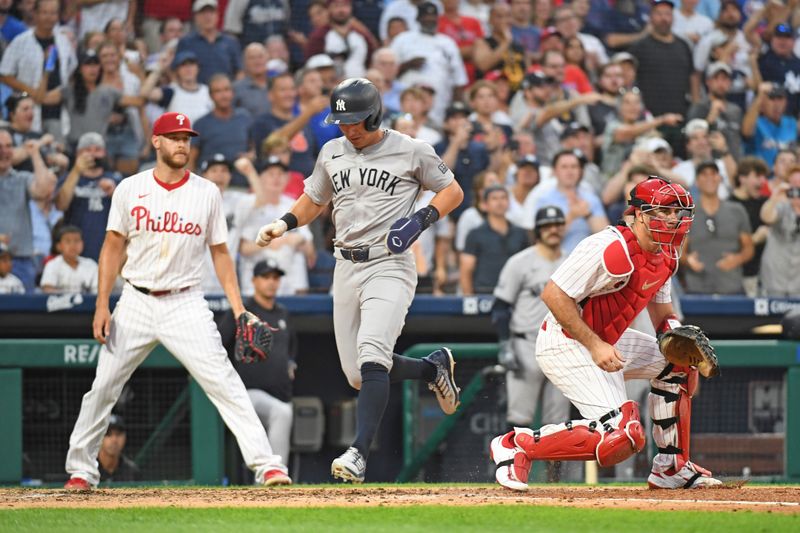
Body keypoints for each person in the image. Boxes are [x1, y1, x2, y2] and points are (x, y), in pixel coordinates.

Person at [63, 112, 291, 491]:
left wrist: (238, 308)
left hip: (185, 302)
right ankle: (81, 471)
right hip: (135, 299)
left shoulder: (206, 192)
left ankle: (267, 465)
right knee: (103, 387)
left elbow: (220, 253)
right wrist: (102, 303)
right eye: (173, 137)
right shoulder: (130, 188)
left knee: (224, 382)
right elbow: (112, 247)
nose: (182, 144)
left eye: (186, 138)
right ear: (156, 142)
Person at [255, 78, 464, 483]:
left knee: (372, 354)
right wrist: (284, 223)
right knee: (357, 373)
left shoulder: (411, 149)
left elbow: (451, 191)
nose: (347, 129)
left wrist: (420, 218)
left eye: (354, 121)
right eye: (342, 121)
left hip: (390, 263)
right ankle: (431, 369)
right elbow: (315, 198)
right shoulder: (332, 151)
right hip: (345, 266)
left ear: (374, 115)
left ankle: (358, 453)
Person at [490, 176, 722, 491]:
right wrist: (595, 345)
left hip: (609, 339)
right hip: (566, 341)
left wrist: (675, 336)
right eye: (663, 211)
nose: (672, 219)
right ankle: (517, 444)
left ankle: (671, 468)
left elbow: (663, 315)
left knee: (679, 365)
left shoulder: (667, 255)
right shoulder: (608, 246)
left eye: (677, 212)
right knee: (622, 437)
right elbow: (554, 295)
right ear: (639, 214)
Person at [492, 205, 571, 437]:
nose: (553, 230)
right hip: (526, 344)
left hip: (562, 346)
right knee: (519, 420)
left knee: (558, 425)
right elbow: (500, 307)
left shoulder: (572, 262)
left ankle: (555, 476)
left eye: (557, 224)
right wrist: (505, 344)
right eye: (547, 226)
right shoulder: (520, 262)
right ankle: (511, 472)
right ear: (537, 230)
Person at [219, 259, 297, 466]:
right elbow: (217, 344)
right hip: (248, 394)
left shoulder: (283, 314)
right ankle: (276, 474)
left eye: (275, 277)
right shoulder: (241, 312)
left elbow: (291, 349)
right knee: (282, 413)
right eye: (266, 277)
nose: (271, 282)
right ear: (254, 280)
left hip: (280, 394)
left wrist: (290, 364)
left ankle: (267, 480)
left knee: (282, 412)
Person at [681, 161, 754, 295]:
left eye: (714, 173)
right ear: (696, 182)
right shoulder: (687, 214)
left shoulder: (737, 210)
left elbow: (749, 248)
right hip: (698, 288)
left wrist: (737, 259)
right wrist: (688, 260)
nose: (710, 178)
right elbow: (678, 251)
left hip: (731, 286)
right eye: (704, 174)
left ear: (719, 178)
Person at [0, 129, 57, 292]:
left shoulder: (22, 178)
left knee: (23, 315)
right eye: (0, 147)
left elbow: (44, 190)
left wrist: (34, 154)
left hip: (21, 260)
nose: (4, 151)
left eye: (8, 146)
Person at [55, 132, 122, 262]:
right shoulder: (69, 178)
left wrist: (114, 193)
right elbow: (61, 205)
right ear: (78, 154)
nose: (93, 154)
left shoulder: (116, 179)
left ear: (104, 153)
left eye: (97, 150)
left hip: (107, 250)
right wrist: (76, 170)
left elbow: (131, 214)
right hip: (75, 252)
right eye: (87, 150)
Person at [460, 185, 528, 295]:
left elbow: (527, 265)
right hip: (484, 292)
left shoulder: (520, 233)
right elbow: (466, 270)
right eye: (494, 198)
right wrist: (469, 298)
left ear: (509, 203)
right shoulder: (475, 234)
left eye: (503, 198)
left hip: (515, 293)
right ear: (484, 205)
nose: (499, 202)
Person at [759, 167, 800, 297]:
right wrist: (775, 197)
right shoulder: (781, 206)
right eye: (794, 186)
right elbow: (766, 216)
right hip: (774, 282)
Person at [40, 225, 99, 294]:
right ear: (58, 246)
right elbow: (47, 289)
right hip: (60, 304)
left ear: (82, 244)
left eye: (77, 240)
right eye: (68, 241)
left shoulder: (91, 265)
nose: (73, 245)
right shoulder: (52, 265)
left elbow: (97, 292)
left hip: (87, 304)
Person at [97, 414, 141, 482]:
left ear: (125, 437)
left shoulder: (132, 471)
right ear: (99, 437)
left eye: (118, 434)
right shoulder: (88, 469)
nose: (114, 440)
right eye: (108, 434)